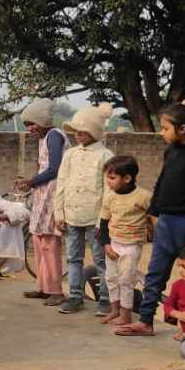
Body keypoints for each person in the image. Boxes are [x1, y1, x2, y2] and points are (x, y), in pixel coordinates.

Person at [115, 95, 185, 336]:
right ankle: (146, 321)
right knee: (155, 275)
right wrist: (154, 212)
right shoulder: (170, 151)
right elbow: (161, 183)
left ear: (183, 129)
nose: (161, 133)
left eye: (165, 128)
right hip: (166, 224)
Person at [54, 104, 114, 315]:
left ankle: (106, 299)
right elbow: (61, 184)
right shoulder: (70, 155)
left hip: (94, 217)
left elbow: (108, 190)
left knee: (100, 259)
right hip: (71, 215)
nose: (78, 135)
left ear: (94, 131)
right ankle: (75, 295)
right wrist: (59, 214)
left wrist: (102, 220)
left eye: (83, 131)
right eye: (76, 131)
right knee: (73, 258)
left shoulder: (105, 156)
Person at [14, 98, 70, 306]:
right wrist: (32, 183)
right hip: (43, 193)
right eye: (28, 125)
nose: (30, 129)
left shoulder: (54, 136)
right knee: (39, 241)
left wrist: (31, 181)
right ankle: (43, 287)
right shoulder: (45, 138)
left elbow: (55, 169)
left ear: (42, 121)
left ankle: (55, 290)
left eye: (32, 124)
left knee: (49, 243)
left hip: (53, 194)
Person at [97, 155, 152, 325]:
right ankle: (114, 311)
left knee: (126, 280)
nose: (108, 181)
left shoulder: (144, 196)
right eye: (107, 176)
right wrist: (106, 245)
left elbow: (156, 218)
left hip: (131, 246)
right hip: (113, 244)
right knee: (111, 278)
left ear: (127, 178)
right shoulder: (110, 197)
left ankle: (126, 314)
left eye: (112, 178)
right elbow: (104, 223)